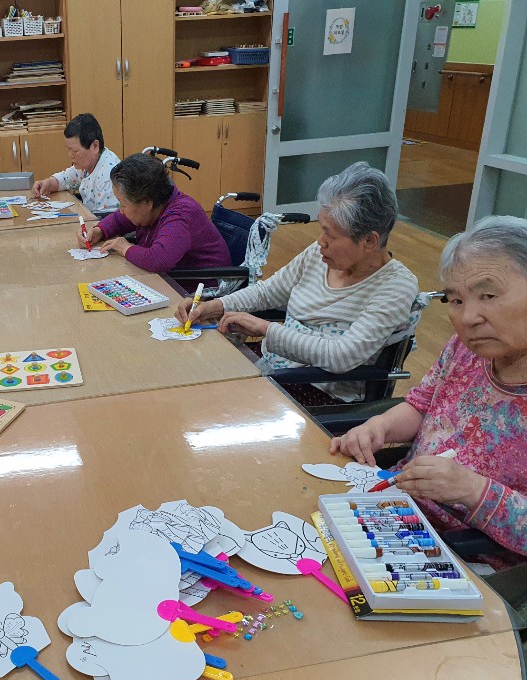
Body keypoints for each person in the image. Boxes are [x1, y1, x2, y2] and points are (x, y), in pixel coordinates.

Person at [331, 215, 527, 570]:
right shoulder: (465, 349)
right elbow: (422, 405)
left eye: (488, 295)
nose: (468, 318)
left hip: (472, 561)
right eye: (455, 300)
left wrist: (472, 489)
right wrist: (379, 427)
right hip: (396, 511)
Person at [175, 162, 418, 403]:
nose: (320, 241)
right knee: (191, 375)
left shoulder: (396, 287)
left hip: (317, 392)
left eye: (330, 234)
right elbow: (268, 292)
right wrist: (214, 306)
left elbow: (341, 356)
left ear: (369, 241)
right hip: (273, 368)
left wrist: (265, 329)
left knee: (207, 402)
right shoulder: (319, 255)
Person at [81, 153, 232, 275]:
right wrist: (99, 230)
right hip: (172, 280)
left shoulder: (181, 215)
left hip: (205, 288)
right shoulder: (154, 207)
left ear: (147, 203)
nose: (121, 210)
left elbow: (158, 260)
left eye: (123, 204)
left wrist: (124, 248)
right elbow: (121, 219)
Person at [30, 113, 120, 216]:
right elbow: (66, 178)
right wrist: (48, 183)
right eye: (68, 149)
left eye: (75, 151)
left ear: (95, 146)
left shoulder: (108, 176)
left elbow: (107, 219)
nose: (70, 155)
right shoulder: (87, 164)